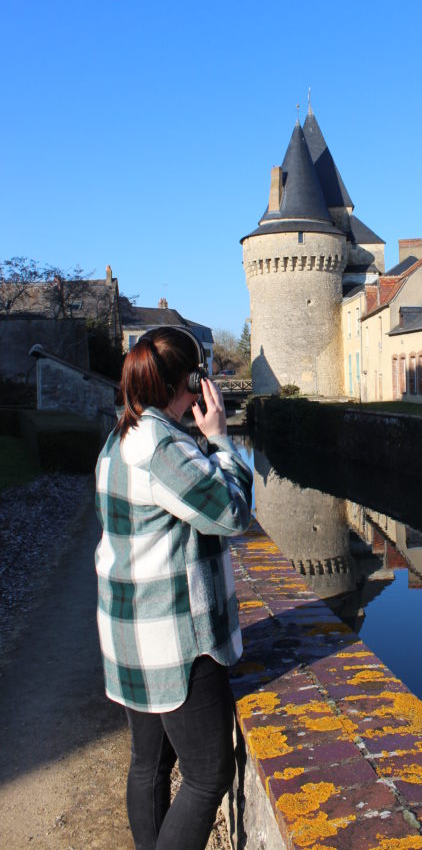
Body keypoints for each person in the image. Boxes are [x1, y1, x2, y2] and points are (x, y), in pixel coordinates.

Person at [94, 326, 252, 850]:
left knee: (150, 762)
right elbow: (231, 514)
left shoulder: (123, 435)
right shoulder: (161, 446)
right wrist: (221, 438)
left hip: (131, 630)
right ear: (191, 380)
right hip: (173, 640)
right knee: (209, 772)